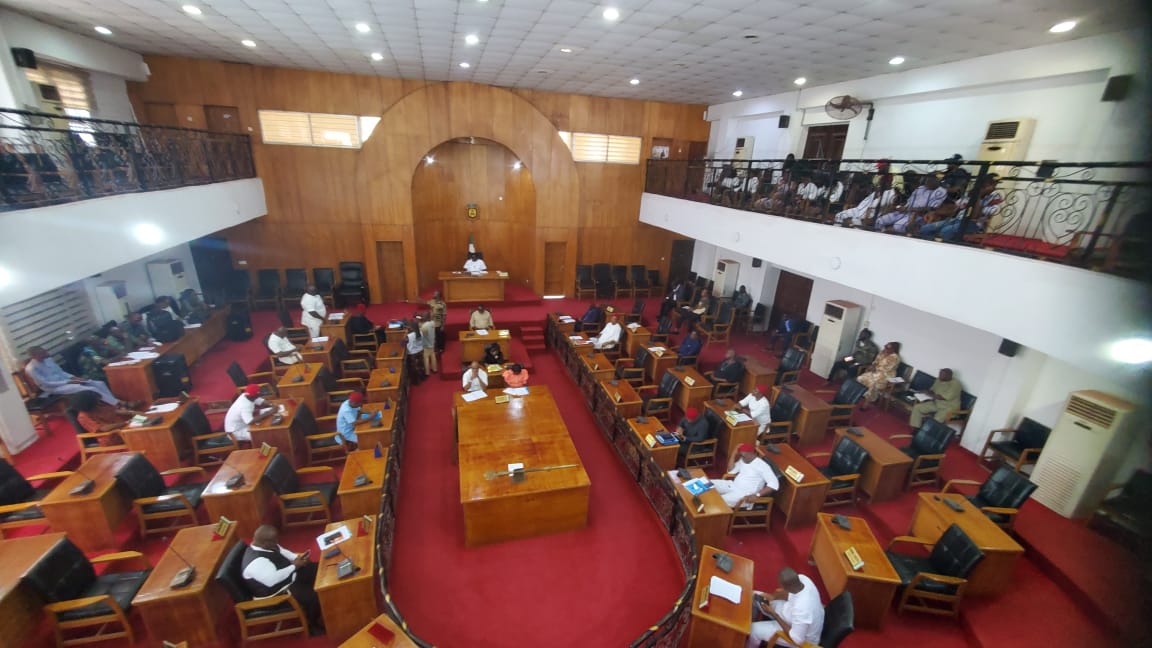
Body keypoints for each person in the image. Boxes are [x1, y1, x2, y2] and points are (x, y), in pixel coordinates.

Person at [242, 525, 323, 635]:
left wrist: (298, 558)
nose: (277, 542)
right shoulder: (256, 563)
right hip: (277, 593)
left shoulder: (267, 545)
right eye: (275, 541)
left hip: (288, 577)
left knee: (318, 569)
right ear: (265, 543)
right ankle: (311, 624)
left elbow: (284, 552)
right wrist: (294, 566)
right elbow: (273, 580)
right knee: (314, 595)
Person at [746, 567, 825, 648]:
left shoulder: (802, 610)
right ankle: (748, 623)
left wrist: (774, 615)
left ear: (785, 587)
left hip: (802, 639)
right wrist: (772, 598)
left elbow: (797, 639)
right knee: (754, 595)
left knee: (754, 630)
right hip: (790, 614)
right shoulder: (803, 579)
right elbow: (787, 594)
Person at [25, 346, 123, 407]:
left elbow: (61, 372)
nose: (46, 353)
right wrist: (69, 382)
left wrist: (74, 378)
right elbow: (45, 383)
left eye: (45, 351)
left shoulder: (48, 360)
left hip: (66, 380)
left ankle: (113, 402)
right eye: (43, 353)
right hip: (54, 388)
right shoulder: (31, 368)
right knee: (91, 389)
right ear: (34, 356)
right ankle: (117, 404)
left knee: (99, 383)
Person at [919, 174, 1004, 241]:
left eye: (993, 184)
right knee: (926, 228)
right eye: (988, 184)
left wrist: (979, 196)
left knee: (945, 231)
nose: (992, 187)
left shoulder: (995, 196)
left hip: (974, 224)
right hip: (957, 219)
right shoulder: (973, 192)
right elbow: (959, 204)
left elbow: (987, 212)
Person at [712, 443, 779, 508]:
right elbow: (730, 471)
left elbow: (774, 484)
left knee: (717, 501)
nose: (742, 458)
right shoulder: (743, 459)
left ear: (752, 453)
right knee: (708, 484)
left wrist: (757, 495)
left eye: (744, 456)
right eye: (741, 455)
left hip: (744, 494)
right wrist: (734, 453)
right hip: (733, 485)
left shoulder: (762, 466)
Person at [875, 173, 947, 233]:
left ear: (936, 180)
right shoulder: (921, 188)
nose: (927, 181)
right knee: (879, 221)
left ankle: (882, 235)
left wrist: (908, 209)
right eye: (927, 179)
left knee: (898, 226)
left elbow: (932, 208)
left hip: (918, 215)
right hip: (904, 212)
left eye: (930, 179)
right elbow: (909, 201)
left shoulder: (941, 191)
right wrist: (899, 207)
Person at [70, 390, 134, 446]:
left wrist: (133, 412)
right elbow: (104, 428)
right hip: (113, 436)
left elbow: (115, 411)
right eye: (97, 400)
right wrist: (126, 422)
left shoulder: (98, 406)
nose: (99, 401)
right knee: (138, 431)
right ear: (89, 402)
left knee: (139, 423)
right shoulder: (83, 417)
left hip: (125, 428)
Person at [833, 176, 897, 227]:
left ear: (888, 182)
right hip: (858, 210)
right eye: (880, 181)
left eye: (882, 181)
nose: (879, 183)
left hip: (867, 216)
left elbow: (889, 207)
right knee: (839, 215)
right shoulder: (877, 191)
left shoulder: (890, 193)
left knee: (854, 222)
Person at [857, 341, 902, 407]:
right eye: (885, 346)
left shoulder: (895, 358)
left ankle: (867, 402)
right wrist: (873, 365)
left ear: (893, 349)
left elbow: (887, 369)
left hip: (886, 375)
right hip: (875, 372)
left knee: (873, 383)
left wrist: (875, 368)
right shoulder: (882, 352)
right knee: (860, 378)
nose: (885, 349)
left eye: (888, 348)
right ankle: (860, 394)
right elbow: (876, 361)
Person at [405, 319, 425, 384]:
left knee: (414, 368)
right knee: (421, 365)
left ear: (411, 328)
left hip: (412, 354)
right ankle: (422, 377)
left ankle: (416, 381)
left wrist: (404, 335)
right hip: (420, 351)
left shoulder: (409, 336)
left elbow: (402, 344)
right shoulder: (421, 332)